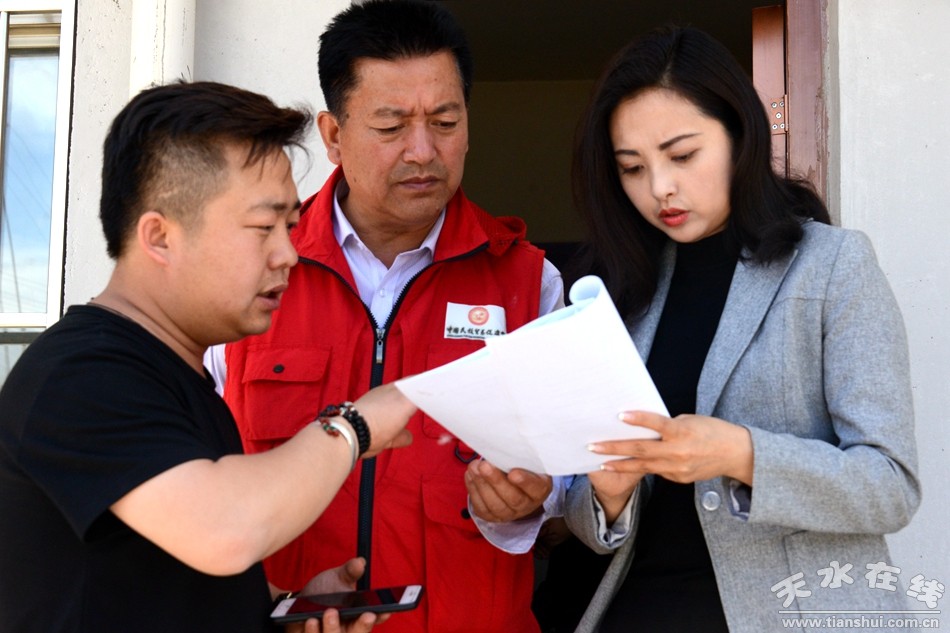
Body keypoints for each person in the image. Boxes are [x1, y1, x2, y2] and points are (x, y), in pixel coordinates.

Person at [0, 80, 418, 633]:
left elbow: (152, 575)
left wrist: (279, 607)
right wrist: (354, 425)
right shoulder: (79, 375)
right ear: (159, 237)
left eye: (291, 227)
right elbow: (223, 529)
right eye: (263, 227)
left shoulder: (178, 378)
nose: (289, 254)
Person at [207, 1, 565, 632]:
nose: (423, 151)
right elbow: (192, 491)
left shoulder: (527, 281)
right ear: (333, 136)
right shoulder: (248, 273)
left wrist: (532, 500)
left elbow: (574, 485)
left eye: (445, 122)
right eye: (391, 126)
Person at [561, 26, 921, 633]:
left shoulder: (833, 265)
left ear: (740, 134)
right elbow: (588, 518)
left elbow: (890, 486)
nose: (659, 187)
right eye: (632, 168)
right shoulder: (621, 289)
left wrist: (742, 454)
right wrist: (608, 495)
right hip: (642, 610)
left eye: (682, 156)